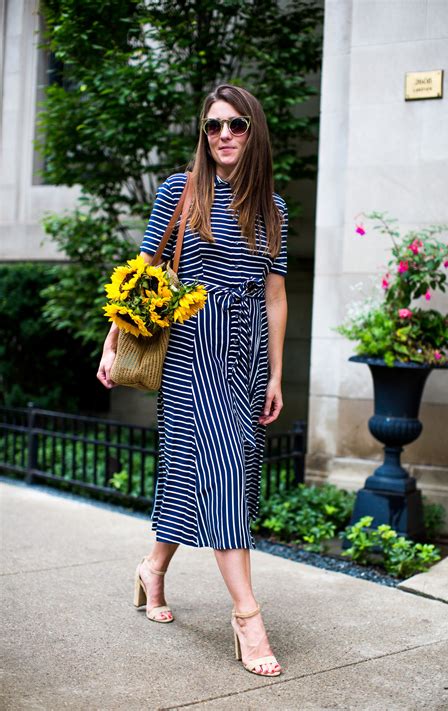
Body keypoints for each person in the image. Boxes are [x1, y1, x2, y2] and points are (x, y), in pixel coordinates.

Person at [97, 84, 288, 677]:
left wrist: (278, 373)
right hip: (190, 348)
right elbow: (142, 273)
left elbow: (276, 296)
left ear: (253, 131)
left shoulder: (274, 209)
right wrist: (112, 340)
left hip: (248, 354)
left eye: (235, 125)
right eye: (213, 126)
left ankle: (152, 570)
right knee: (224, 470)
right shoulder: (180, 193)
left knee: (193, 473)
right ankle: (247, 616)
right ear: (203, 135)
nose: (224, 135)